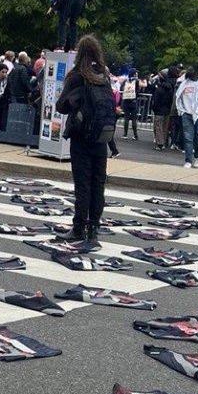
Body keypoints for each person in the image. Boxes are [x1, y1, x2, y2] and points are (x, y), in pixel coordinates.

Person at [54, 33, 116, 249]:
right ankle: (93, 229)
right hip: (101, 137)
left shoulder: (77, 76)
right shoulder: (104, 76)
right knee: (98, 184)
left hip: (81, 137)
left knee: (82, 184)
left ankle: (78, 226)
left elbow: (61, 106)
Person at [174, 67, 198, 169]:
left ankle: (197, 156)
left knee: (197, 138)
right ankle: (188, 160)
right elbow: (179, 97)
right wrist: (181, 110)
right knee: (188, 138)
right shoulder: (184, 83)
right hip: (186, 114)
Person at [151, 68, 175, 150]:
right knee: (165, 127)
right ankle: (164, 142)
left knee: (158, 127)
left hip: (159, 110)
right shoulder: (170, 88)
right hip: (167, 109)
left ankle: (159, 143)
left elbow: (156, 100)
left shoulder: (159, 88)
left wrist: (154, 108)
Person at [121, 73, 139, 140]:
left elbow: (121, 88)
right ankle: (135, 135)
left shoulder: (125, 81)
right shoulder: (136, 81)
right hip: (133, 102)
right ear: (134, 74)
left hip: (126, 102)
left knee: (126, 119)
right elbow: (138, 90)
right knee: (134, 119)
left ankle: (125, 134)